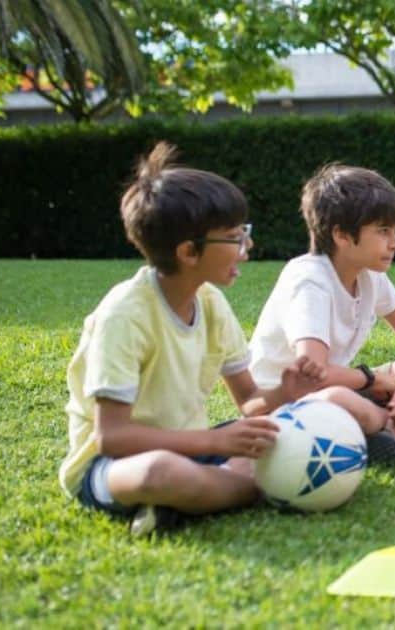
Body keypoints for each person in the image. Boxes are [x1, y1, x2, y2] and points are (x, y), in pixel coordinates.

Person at [60, 142, 325, 537]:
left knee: (282, 437)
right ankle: (256, 490)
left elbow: (250, 401)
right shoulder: (125, 315)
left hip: (194, 446)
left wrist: (284, 394)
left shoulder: (210, 302)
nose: (246, 246)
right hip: (111, 465)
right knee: (159, 472)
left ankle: (185, 504)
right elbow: (111, 436)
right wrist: (216, 439)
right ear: (188, 251)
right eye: (235, 237)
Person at [247, 164, 395, 460]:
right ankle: (392, 425)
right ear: (342, 236)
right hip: (287, 405)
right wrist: (371, 380)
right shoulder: (310, 281)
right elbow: (313, 375)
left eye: (394, 231)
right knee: (340, 399)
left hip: (342, 386)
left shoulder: (368, 273)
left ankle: (390, 423)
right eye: (383, 231)